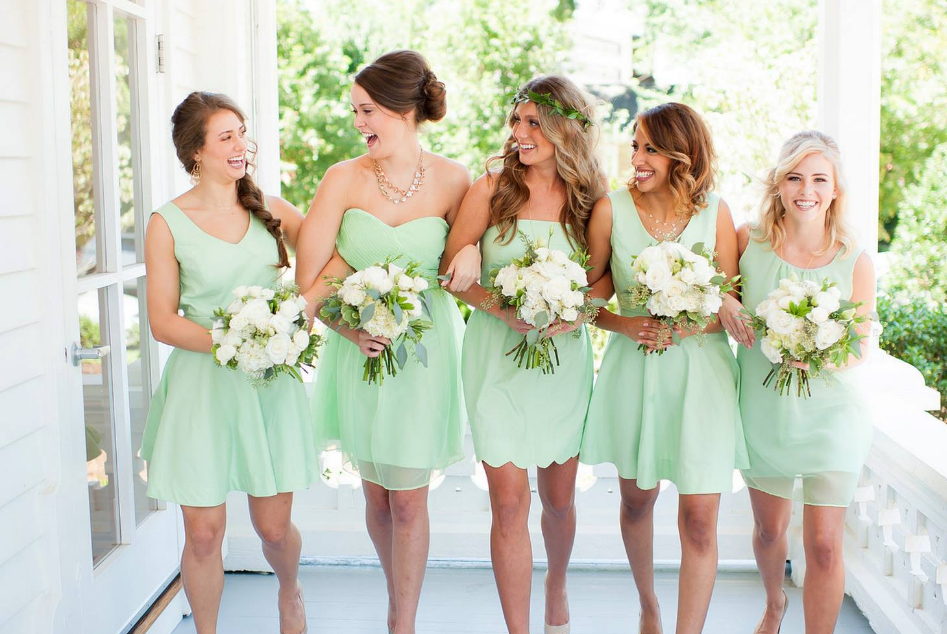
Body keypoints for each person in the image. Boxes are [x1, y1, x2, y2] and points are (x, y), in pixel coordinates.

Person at [295, 50, 478, 634]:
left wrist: (470, 249)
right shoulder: (342, 178)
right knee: (376, 499)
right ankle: (395, 593)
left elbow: (467, 258)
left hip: (426, 353)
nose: (358, 124)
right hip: (360, 350)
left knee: (409, 499)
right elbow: (312, 276)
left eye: (367, 111)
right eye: (354, 112)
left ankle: (403, 621)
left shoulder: (454, 180)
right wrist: (350, 328)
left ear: (403, 110)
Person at [142, 91, 317, 634]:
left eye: (242, 132)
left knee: (272, 528)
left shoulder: (273, 210)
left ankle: (290, 589)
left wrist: (300, 315)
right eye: (226, 137)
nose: (242, 145)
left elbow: (329, 262)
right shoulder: (166, 223)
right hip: (202, 389)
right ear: (195, 152)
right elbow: (163, 322)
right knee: (202, 533)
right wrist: (233, 344)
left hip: (268, 387)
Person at [439, 75, 607, 634]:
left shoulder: (592, 197)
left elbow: (603, 280)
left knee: (558, 502)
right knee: (508, 504)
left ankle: (556, 584)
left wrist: (576, 311)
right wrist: (503, 309)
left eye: (535, 123)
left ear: (567, 129)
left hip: (562, 360)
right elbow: (453, 275)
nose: (520, 133)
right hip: (496, 356)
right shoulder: (491, 188)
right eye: (517, 120)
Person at [581, 102, 748, 634]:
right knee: (636, 501)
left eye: (650, 148)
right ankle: (649, 605)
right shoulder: (611, 209)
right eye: (635, 145)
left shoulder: (715, 212)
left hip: (701, 376)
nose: (637, 158)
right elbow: (586, 300)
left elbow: (729, 305)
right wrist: (626, 326)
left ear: (683, 154)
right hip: (636, 369)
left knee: (699, 518)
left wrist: (692, 325)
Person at [719, 130, 875, 634]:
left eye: (818, 179)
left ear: (834, 190)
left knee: (825, 543)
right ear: (780, 185)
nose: (806, 189)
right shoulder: (749, 242)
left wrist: (818, 357)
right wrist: (727, 304)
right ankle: (773, 603)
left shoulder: (856, 260)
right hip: (764, 411)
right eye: (795, 177)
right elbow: (720, 296)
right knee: (770, 532)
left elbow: (859, 345)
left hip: (832, 417)